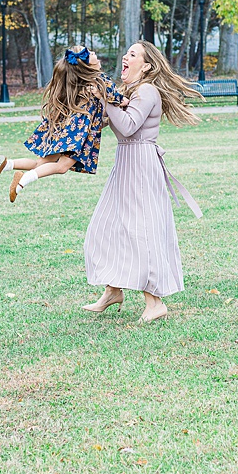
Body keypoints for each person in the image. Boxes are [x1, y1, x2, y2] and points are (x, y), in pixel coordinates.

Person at [83, 41, 202, 323]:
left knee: (141, 231)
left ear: (146, 66)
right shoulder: (126, 93)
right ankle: (113, 290)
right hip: (125, 164)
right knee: (107, 226)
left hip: (141, 164)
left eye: (133, 54)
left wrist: (105, 98)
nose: (126, 56)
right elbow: (104, 120)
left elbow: (126, 126)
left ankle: (155, 302)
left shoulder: (147, 91)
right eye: (127, 53)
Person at [0, 46, 125, 201]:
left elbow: (97, 113)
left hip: (69, 129)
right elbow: (121, 101)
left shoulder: (80, 82)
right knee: (62, 167)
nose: (94, 53)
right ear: (87, 64)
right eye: (90, 53)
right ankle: (22, 182)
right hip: (78, 135)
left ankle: (8, 164)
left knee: (41, 163)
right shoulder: (100, 81)